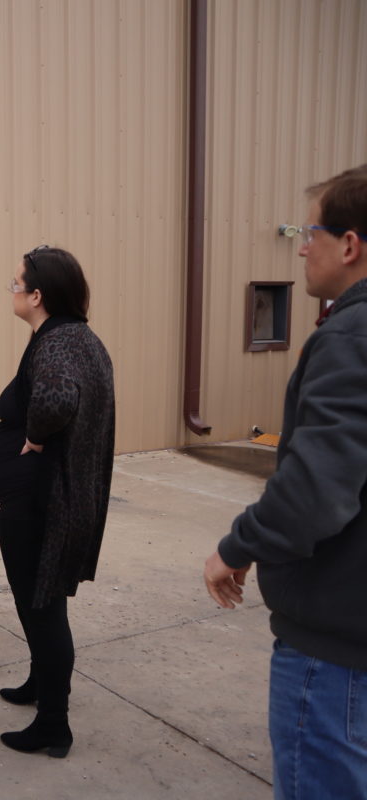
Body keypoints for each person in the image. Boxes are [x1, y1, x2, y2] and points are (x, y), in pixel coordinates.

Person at [204, 165, 367, 800]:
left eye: (310, 232)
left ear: (349, 244)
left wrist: (237, 546)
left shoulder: (351, 335)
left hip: (336, 654)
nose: (300, 246)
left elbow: (314, 491)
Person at [0, 245, 114, 757]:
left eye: (15, 284)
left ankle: (53, 725)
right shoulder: (74, 338)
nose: (11, 291)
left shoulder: (60, 343)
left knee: (42, 608)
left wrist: (35, 436)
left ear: (37, 295)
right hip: (54, 499)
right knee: (38, 601)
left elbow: (57, 400)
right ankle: (40, 683)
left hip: (45, 505)